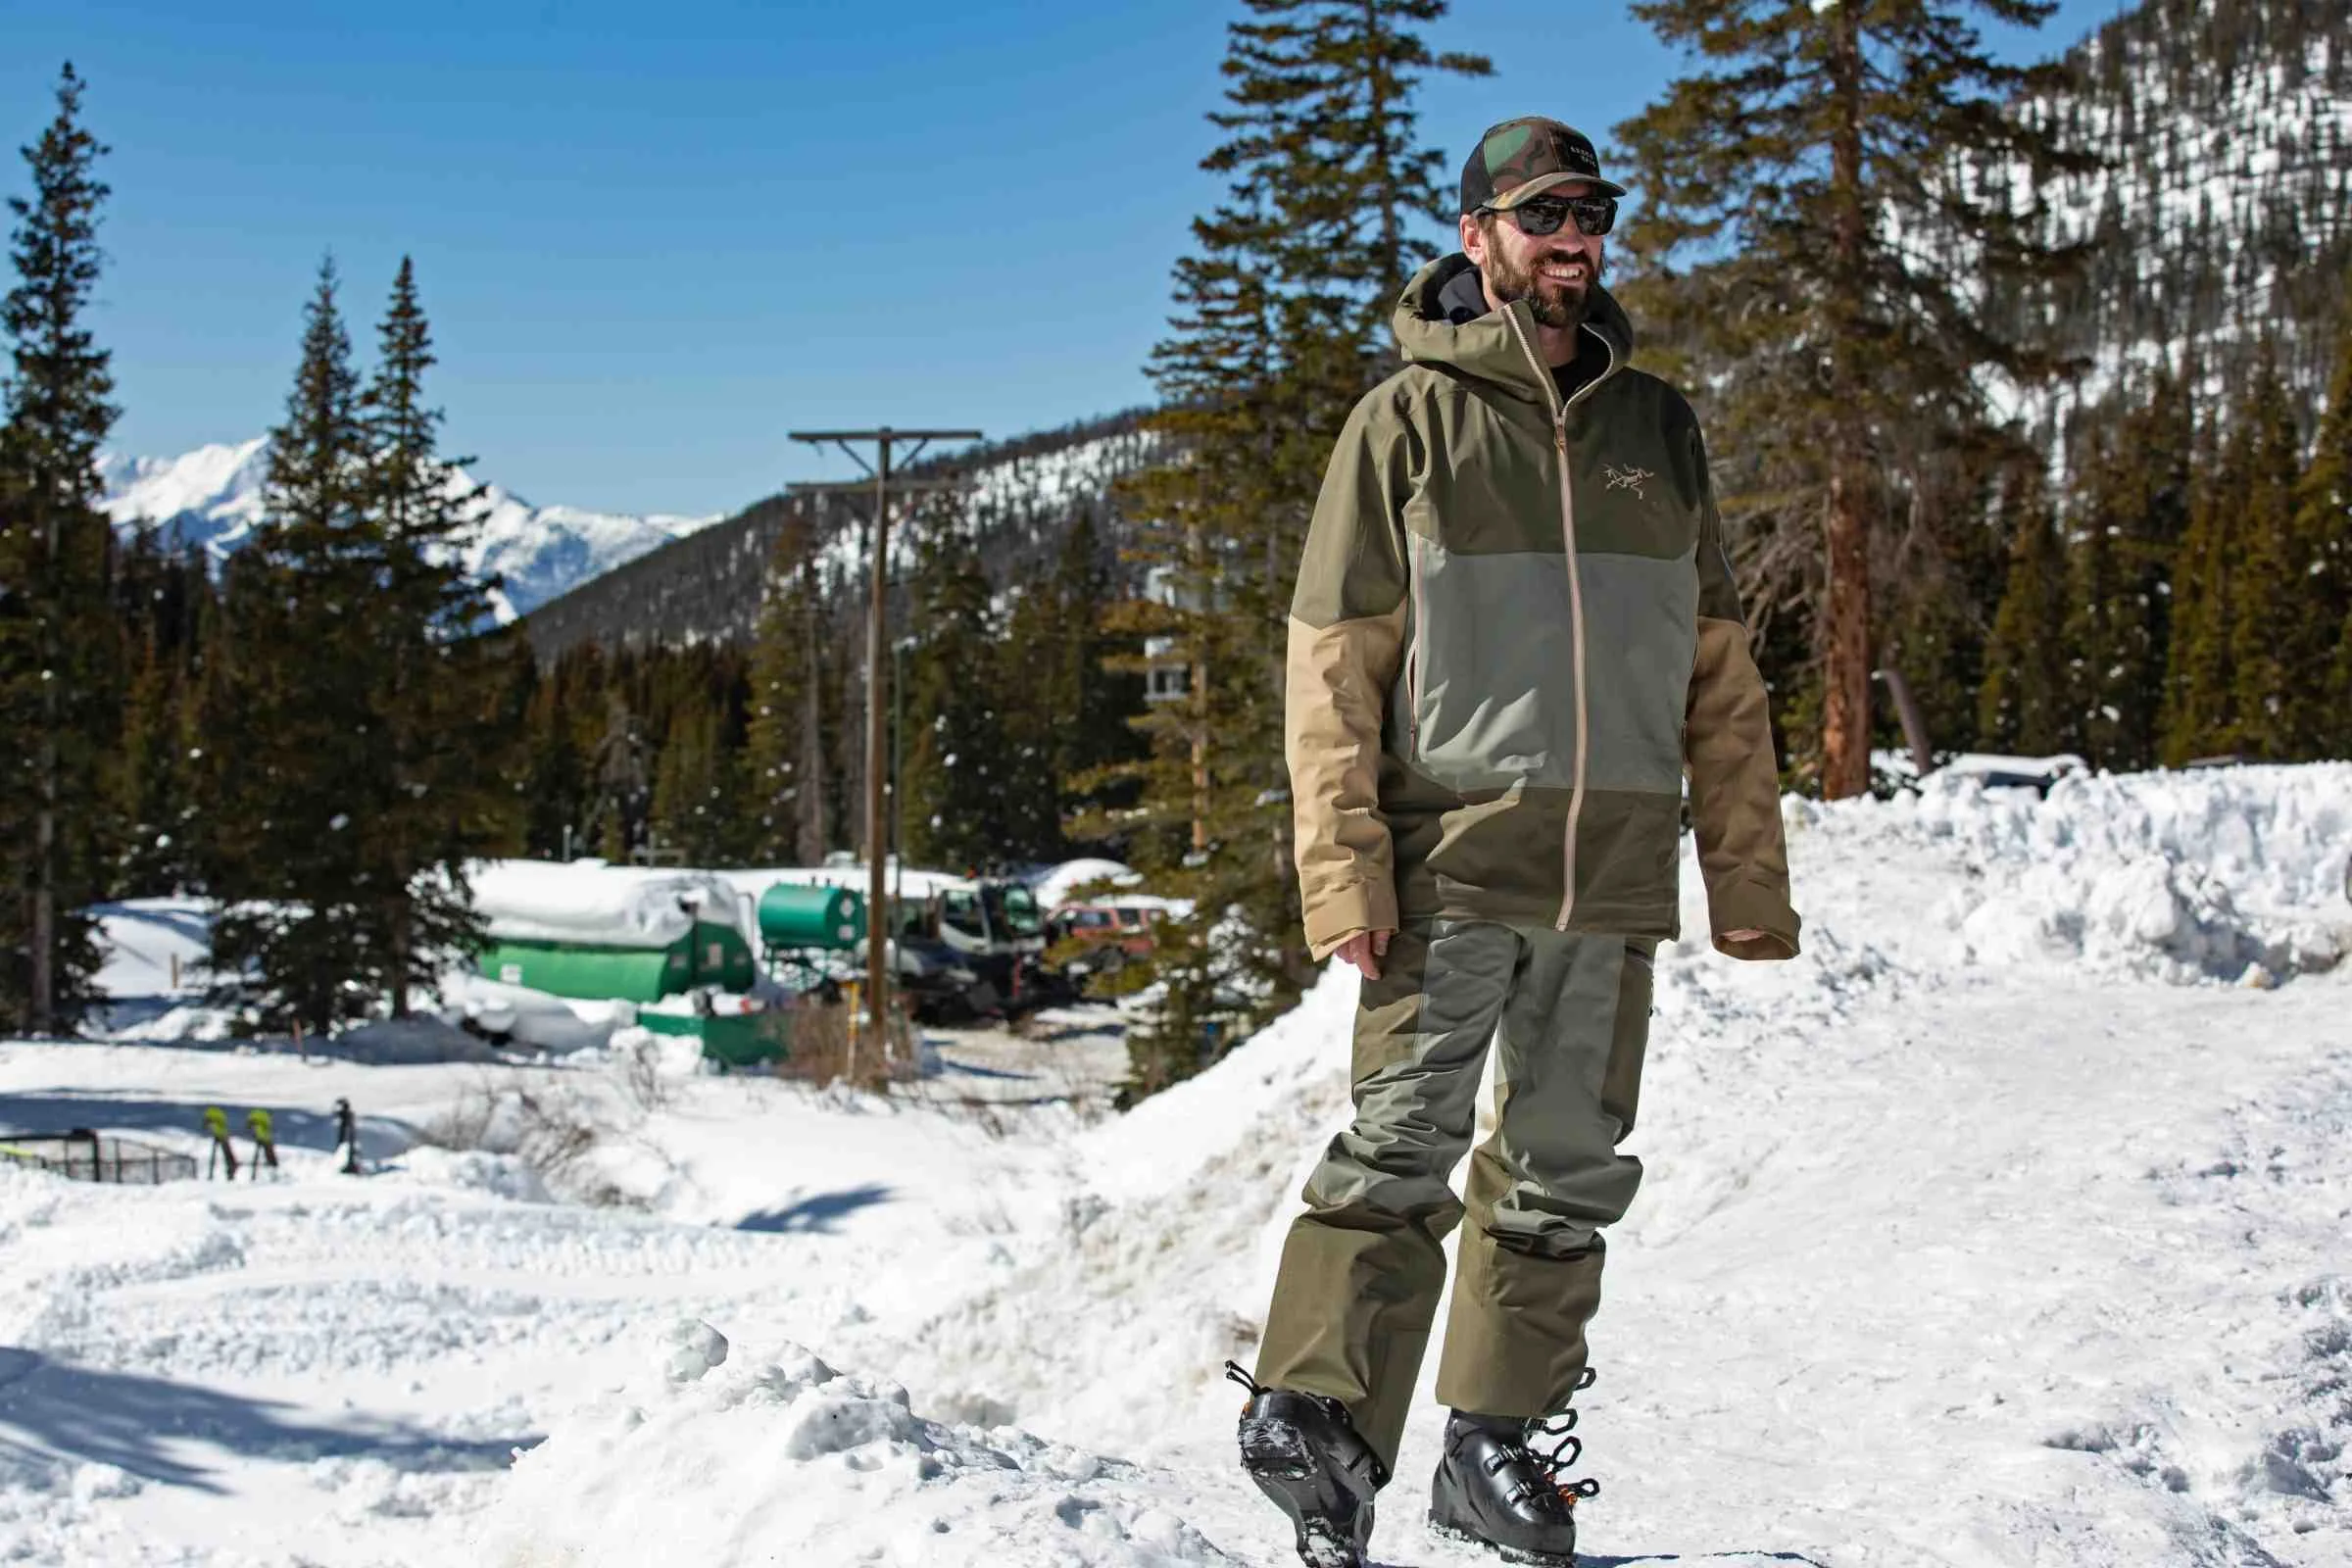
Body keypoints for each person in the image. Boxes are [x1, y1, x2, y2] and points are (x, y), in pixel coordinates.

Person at [1228, 117, 1800, 1568]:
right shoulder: (1404, 424)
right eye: (1542, 215)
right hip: (1451, 859)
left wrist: (1744, 875)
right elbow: (1332, 666)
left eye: (1590, 215)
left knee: (1561, 1169)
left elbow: (1719, 668)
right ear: (1477, 235)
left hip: (1608, 876)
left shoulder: (1656, 429)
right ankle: (1318, 1420)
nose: (1572, 239)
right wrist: (1343, 866)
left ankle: (1491, 1446)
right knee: (1402, 1147)